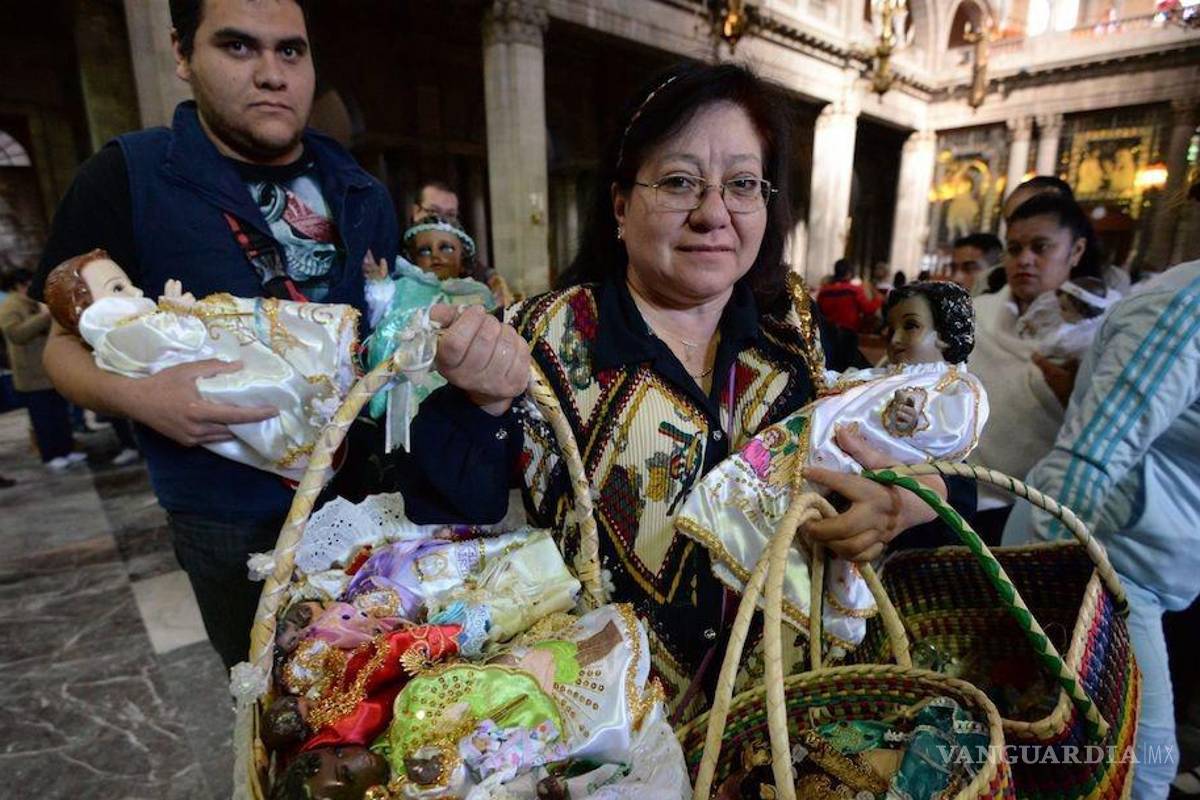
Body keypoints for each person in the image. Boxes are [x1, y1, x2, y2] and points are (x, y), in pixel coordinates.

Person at [389, 62, 966, 722]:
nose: (713, 213)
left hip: (780, 717)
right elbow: (438, 508)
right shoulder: (541, 337)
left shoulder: (797, 335)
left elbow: (951, 461)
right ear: (619, 204)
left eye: (741, 185)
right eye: (679, 182)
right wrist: (483, 400)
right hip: (602, 730)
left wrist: (901, 503)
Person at [31, 0, 398, 670]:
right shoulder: (126, 177)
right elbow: (59, 344)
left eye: (291, 50)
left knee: (373, 675)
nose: (271, 73)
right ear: (181, 54)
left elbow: (383, 319)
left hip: (360, 490)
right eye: (237, 47)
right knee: (264, 694)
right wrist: (140, 400)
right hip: (229, 513)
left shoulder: (359, 189)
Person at [1003, 255, 1200, 800]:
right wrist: (1046, 616)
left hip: (1153, 567)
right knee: (1138, 773)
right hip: (1099, 568)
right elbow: (1082, 469)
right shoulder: (1187, 307)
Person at [967, 192, 1102, 540]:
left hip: (1032, 512)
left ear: (1076, 251)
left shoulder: (1098, 336)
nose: (1024, 259)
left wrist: (1074, 396)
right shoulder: (976, 313)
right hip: (951, 487)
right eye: (1014, 249)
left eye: (1041, 248)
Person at [0, 268, 87, 472]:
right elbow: (15, 334)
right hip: (31, 376)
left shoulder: (33, 303)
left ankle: (66, 450)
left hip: (48, 371)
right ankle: (51, 455)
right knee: (43, 419)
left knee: (59, 415)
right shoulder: (10, 306)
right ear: (19, 285)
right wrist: (44, 317)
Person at [817, 258, 883, 332]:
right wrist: (878, 299)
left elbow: (819, 312)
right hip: (848, 333)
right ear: (849, 273)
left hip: (827, 332)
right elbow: (868, 309)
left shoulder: (823, 291)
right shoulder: (855, 290)